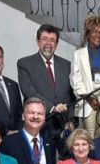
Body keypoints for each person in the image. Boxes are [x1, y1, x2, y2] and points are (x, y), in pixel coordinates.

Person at [17, 24, 74, 156]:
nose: (48, 43)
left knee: (68, 163)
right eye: (44, 39)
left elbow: (72, 95)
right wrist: (52, 108)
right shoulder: (25, 63)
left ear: (57, 43)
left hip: (63, 125)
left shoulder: (66, 65)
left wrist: (71, 120)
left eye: (52, 40)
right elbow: (28, 91)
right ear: (37, 41)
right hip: (39, 124)